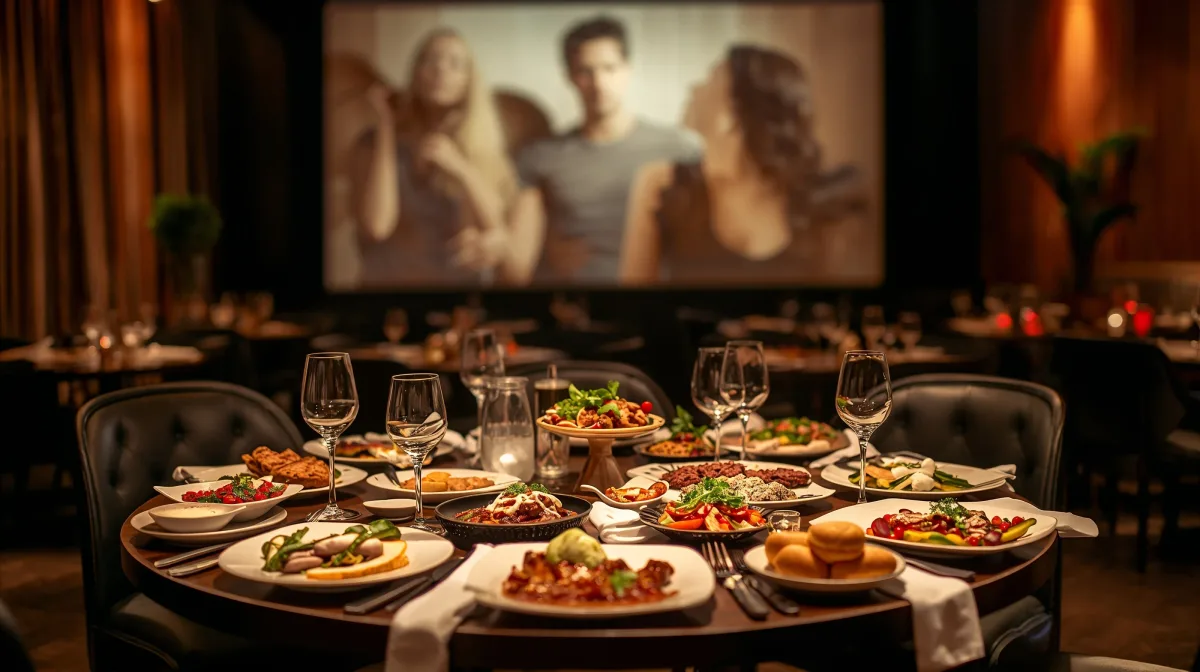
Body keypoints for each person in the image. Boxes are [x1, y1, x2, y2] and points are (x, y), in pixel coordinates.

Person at [618, 45, 867, 285]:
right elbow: (632, 303)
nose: (694, 87)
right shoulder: (660, 183)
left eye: (711, 79)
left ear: (732, 114)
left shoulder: (817, 206)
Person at [501, 16, 701, 284]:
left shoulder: (679, 148)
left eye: (609, 68)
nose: (598, 83)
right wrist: (548, 251)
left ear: (627, 69)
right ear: (570, 77)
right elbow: (518, 262)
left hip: (654, 300)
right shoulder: (541, 156)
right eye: (586, 71)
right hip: (574, 305)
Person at [351, 28, 517, 287]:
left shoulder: (484, 150)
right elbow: (377, 226)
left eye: (455, 64)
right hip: (388, 290)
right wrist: (387, 126)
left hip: (457, 294)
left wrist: (460, 168)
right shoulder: (374, 142)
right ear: (416, 73)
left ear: (468, 82)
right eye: (431, 59)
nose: (441, 69)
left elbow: (498, 228)